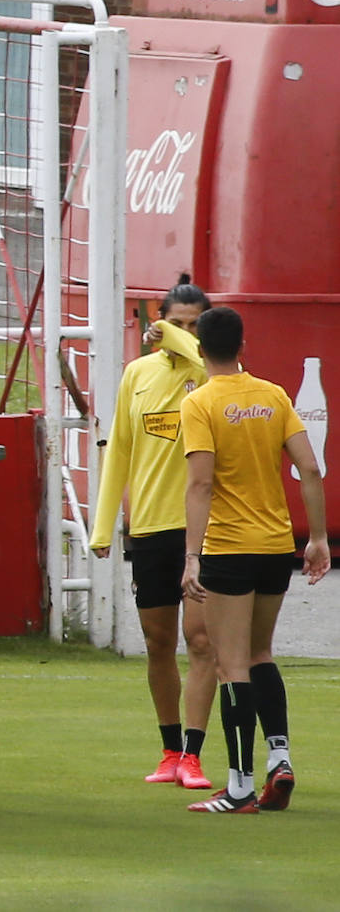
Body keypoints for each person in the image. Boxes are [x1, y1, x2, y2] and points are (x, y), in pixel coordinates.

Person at [180, 306, 329, 813]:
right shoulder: (273, 395)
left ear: (200, 351)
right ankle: (279, 758)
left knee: (230, 664)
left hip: (227, 546)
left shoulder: (199, 403)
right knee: (262, 652)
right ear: (244, 348)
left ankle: (239, 785)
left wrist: (191, 556)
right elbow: (310, 468)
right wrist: (319, 539)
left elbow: (201, 482)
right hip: (274, 546)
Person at [90, 277, 216, 790]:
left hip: (204, 530)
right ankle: (169, 750)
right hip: (149, 528)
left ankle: (195, 752)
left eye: (193, 325)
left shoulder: (215, 375)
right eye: (175, 321)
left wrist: (173, 335)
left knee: (201, 639)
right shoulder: (137, 374)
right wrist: (103, 526)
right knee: (158, 641)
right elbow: (118, 450)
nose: (183, 332)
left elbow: (203, 360)